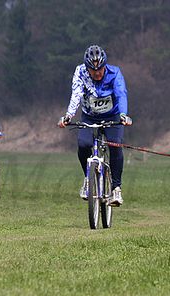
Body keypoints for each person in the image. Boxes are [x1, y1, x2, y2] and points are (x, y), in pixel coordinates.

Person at [58, 44, 132, 206]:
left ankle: (116, 189)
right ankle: (87, 178)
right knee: (83, 144)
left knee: (115, 146)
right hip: (90, 117)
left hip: (113, 116)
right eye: (93, 70)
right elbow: (76, 94)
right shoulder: (80, 73)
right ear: (87, 68)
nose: (97, 73)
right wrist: (68, 116)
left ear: (105, 66)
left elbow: (121, 94)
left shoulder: (115, 73)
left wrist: (123, 115)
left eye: (100, 70)